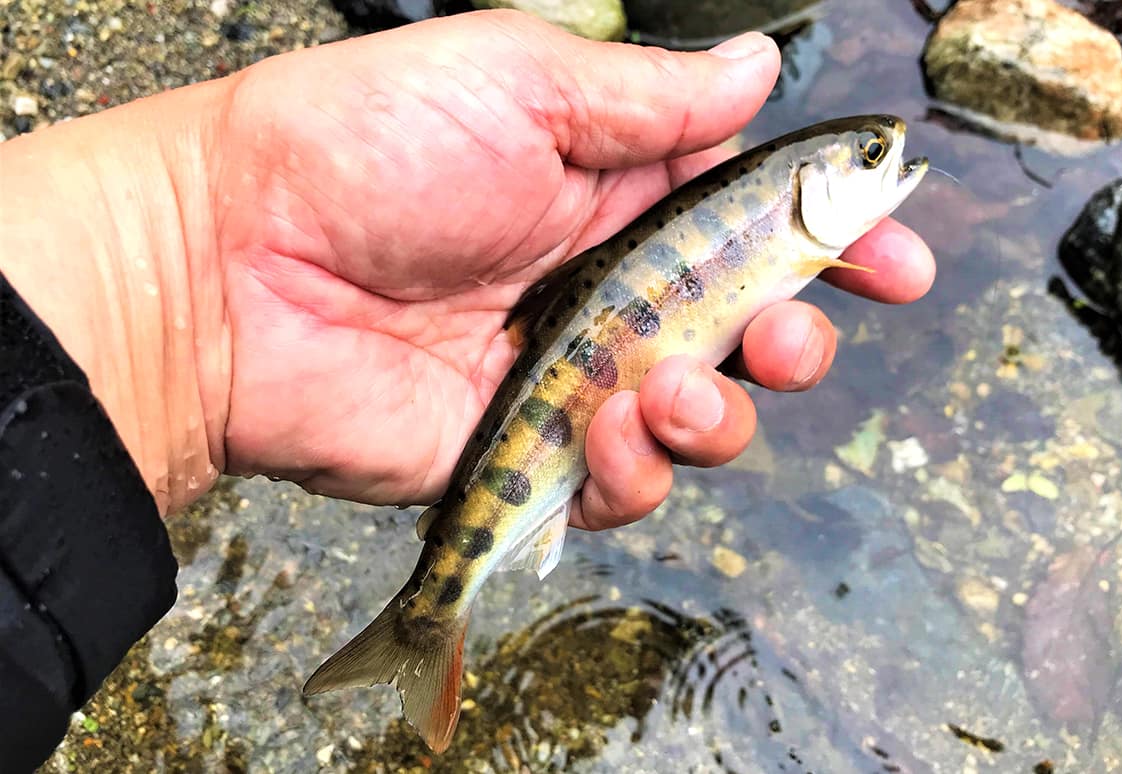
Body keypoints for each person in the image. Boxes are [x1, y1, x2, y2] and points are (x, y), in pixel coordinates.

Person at [0, 9, 935, 769]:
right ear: (808, 183)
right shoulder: (788, 226)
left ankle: (432, 610)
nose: (882, 159)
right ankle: (427, 619)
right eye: (864, 157)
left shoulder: (786, 221)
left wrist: (192, 242)